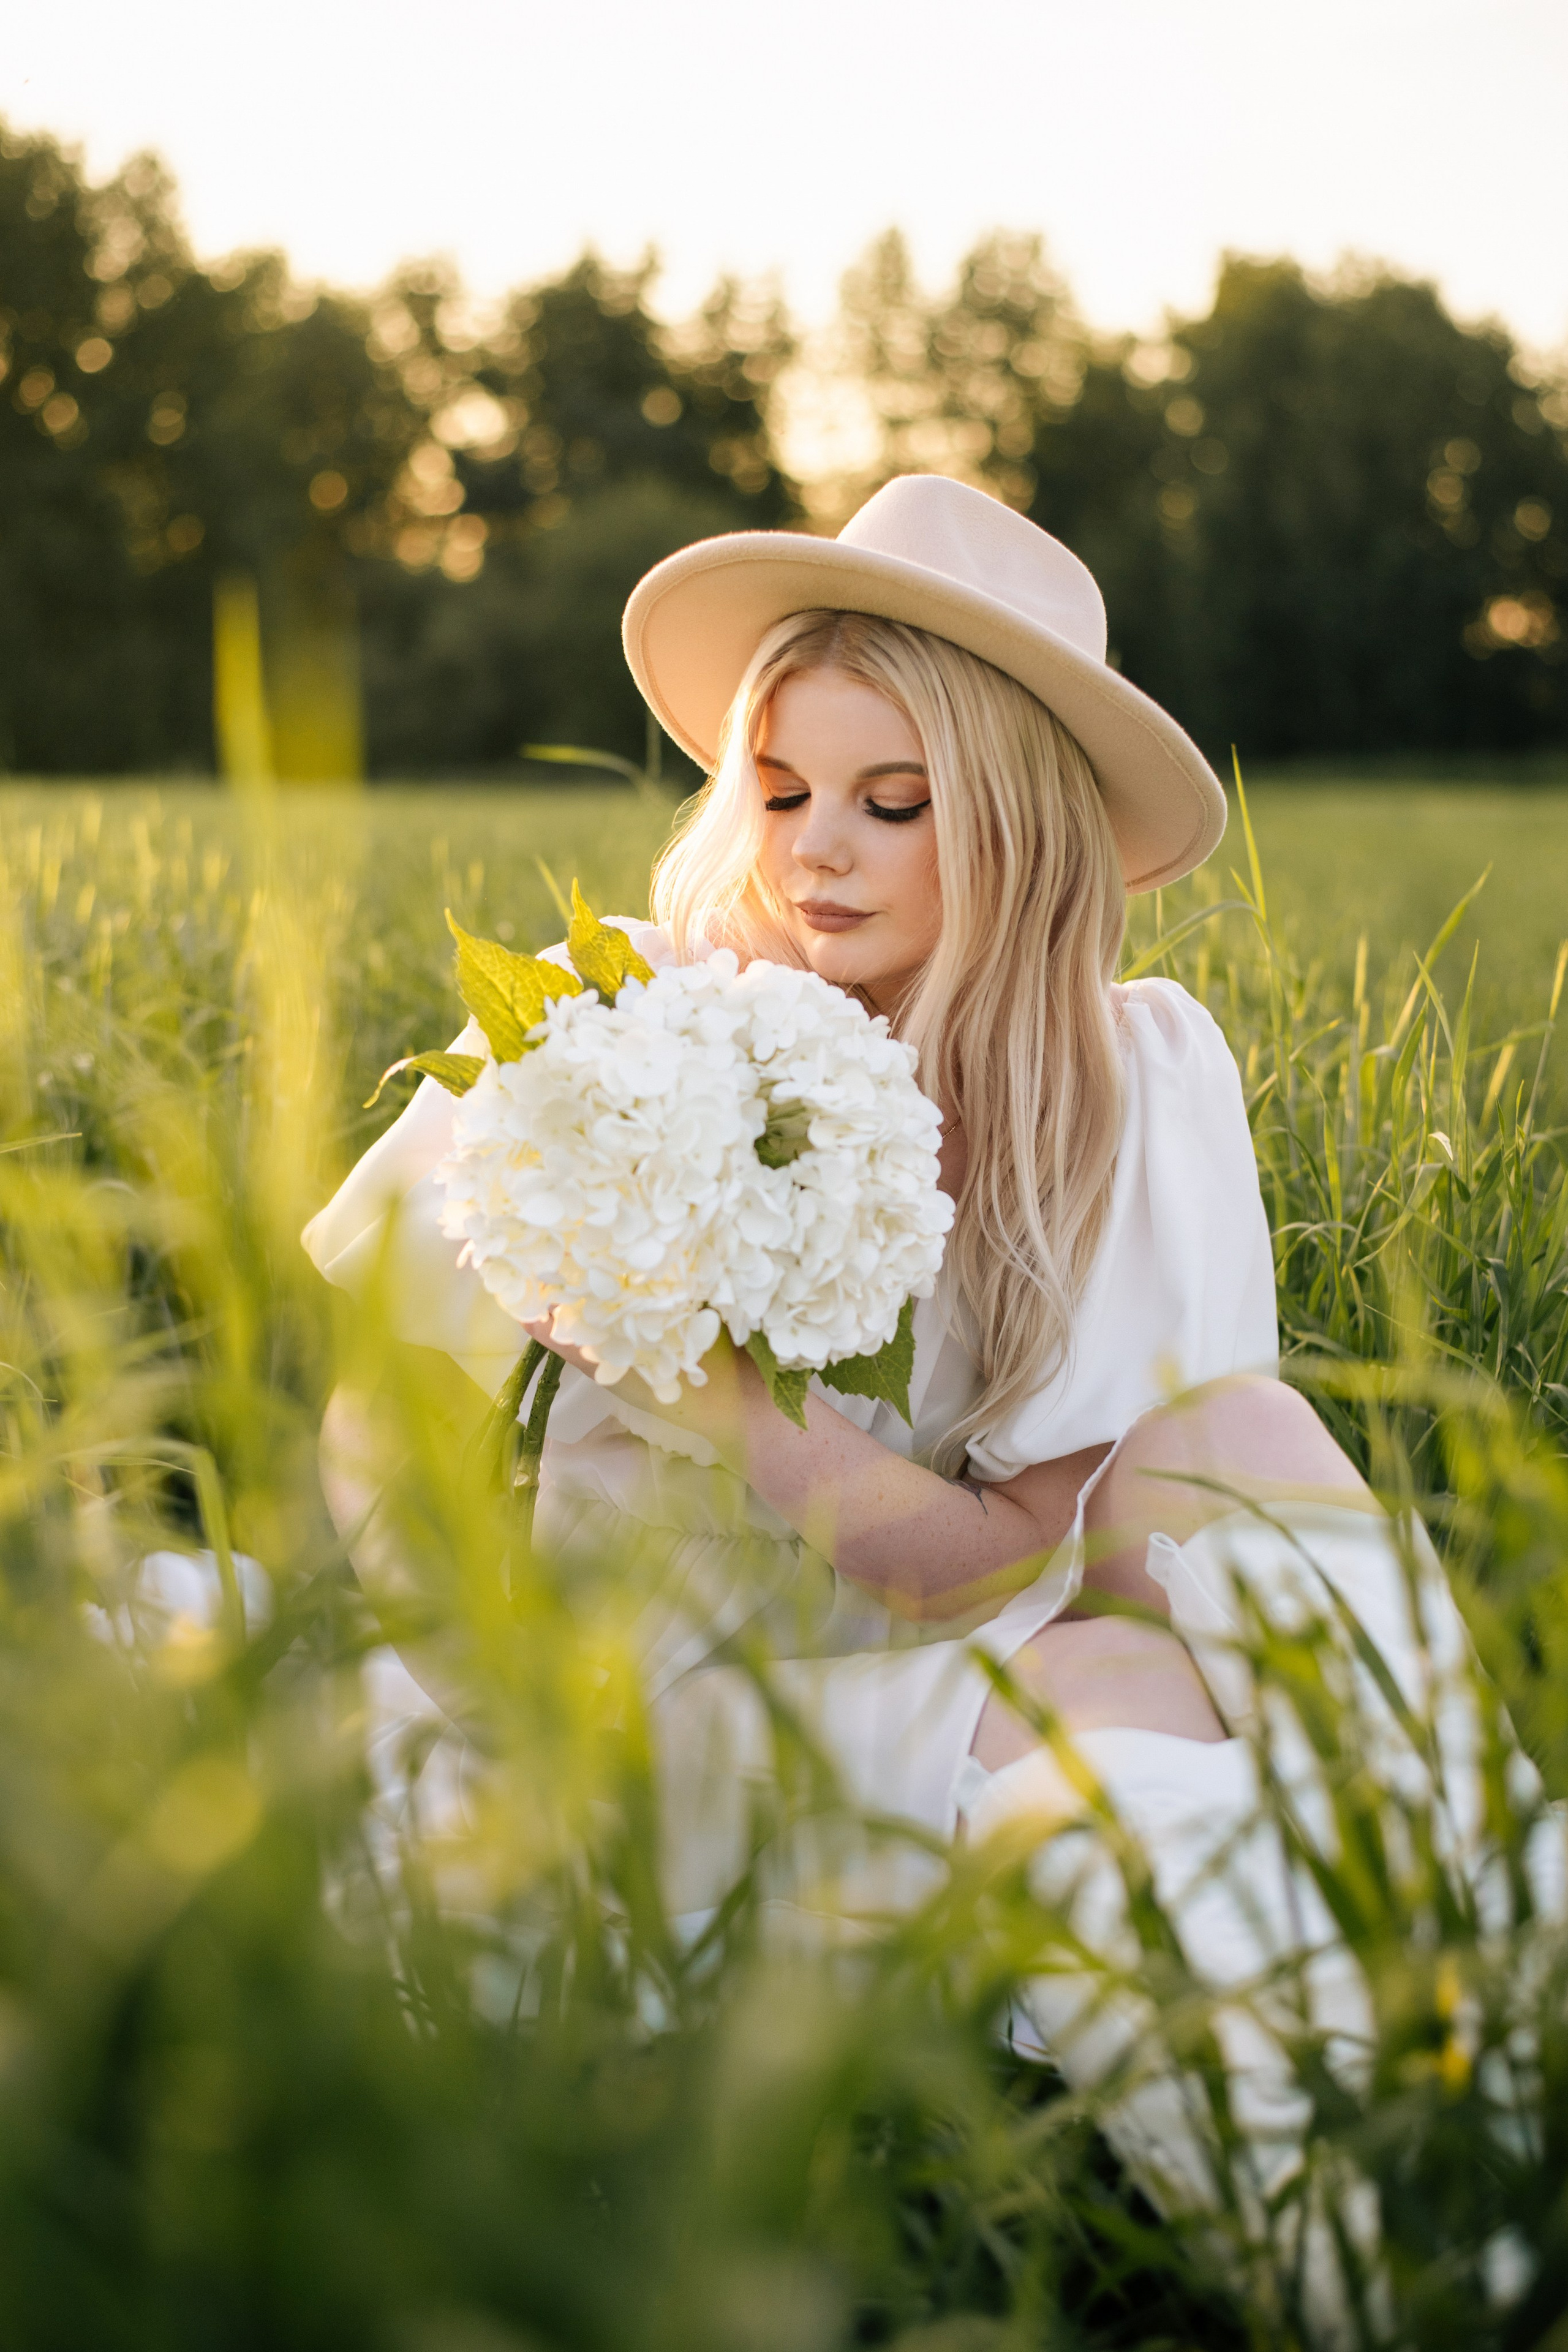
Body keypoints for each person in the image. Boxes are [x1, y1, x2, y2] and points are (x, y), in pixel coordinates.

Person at [304, 478, 1506, 2276]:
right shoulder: (617, 1027)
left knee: (1231, 1439)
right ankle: (1383, 2196)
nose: (819, 853)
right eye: (781, 793)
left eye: (895, 803)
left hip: (944, 1625)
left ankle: (1481, 1917)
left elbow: (996, 1561)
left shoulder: (1114, 1077)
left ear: (1016, 829)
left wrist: (745, 1411)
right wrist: (477, 1652)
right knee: (1121, 1707)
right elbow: (370, 1401)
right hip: (668, 1705)